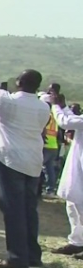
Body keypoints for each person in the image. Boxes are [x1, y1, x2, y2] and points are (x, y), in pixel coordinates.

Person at [0, 53, 51, 268]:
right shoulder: (43, 108)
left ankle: (17, 257)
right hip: (33, 162)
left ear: (18, 83)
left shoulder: (4, 100)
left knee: (12, 208)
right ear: (37, 86)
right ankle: (33, 255)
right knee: (29, 208)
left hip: (10, 161)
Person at [49, 94, 83, 257]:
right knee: (72, 203)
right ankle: (77, 242)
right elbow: (75, 120)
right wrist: (64, 107)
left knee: (80, 204)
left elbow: (66, 122)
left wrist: (56, 106)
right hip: (78, 165)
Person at [41, 94, 61, 196]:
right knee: (49, 169)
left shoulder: (45, 115)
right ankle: (50, 190)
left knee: (39, 168)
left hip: (45, 145)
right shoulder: (54, 116)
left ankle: (37, 190)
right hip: (53, 146)